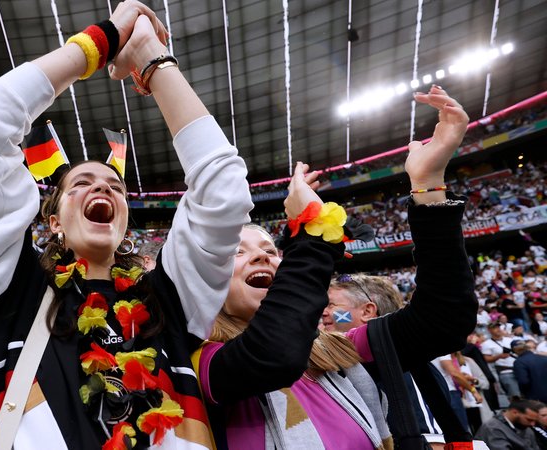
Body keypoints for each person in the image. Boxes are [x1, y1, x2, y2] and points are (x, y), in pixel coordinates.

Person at [0, 3, 252, 448]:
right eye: (82, 184)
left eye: (115, 186)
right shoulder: (10, 290)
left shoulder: (169, 298)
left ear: (124, 218)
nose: (103, 190)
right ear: (53, 222)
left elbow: (224, 192)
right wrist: (104, 39)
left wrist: (152, 58)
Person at [195, 85, 477, 449]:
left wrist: (427, 184)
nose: (263, 256)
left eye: (270, 249)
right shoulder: (200, 363)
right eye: (236, 252)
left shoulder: (336, 349)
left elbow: (443, 322)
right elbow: (274, 354)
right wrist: (311, 228)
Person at [476, 398, 541, 450]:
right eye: (529, 420)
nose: (532, 424)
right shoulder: (492, 427)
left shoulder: (525, 428)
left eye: (535, 421)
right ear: (515, 412)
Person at [482, 321, 521, 398]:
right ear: (489, 330)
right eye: (494, 328)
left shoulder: (509, 340)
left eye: (498, 327)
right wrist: (499, 356)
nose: (497, 329)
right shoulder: (486, 344)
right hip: (504, 370)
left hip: (518, 368)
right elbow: (486, 359)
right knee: (515, 395)